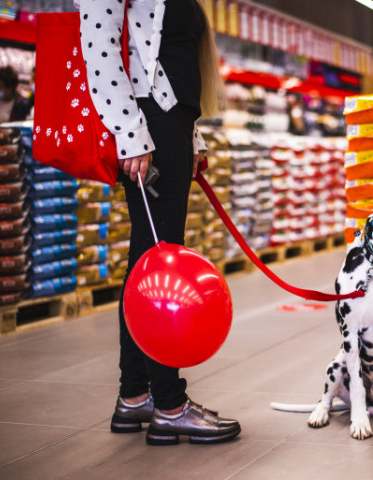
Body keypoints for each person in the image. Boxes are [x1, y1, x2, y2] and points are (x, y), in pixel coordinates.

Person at [77, 0, 241, 445]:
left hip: (168, 127)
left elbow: (171, 61)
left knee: (146, 258)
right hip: (147, 127)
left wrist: (192, 135)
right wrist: (129, 133)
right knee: (158, 261)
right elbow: (100, 44)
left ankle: (135, 396)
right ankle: (169, 404)